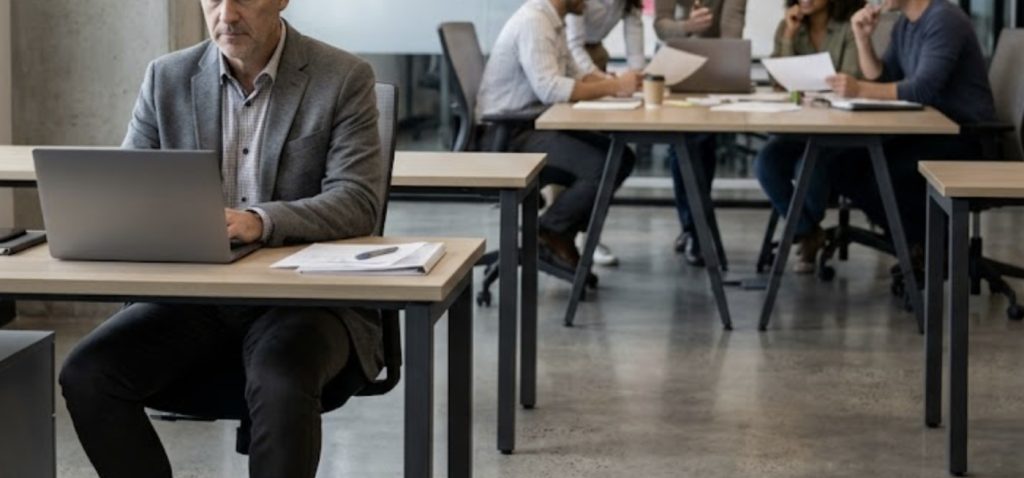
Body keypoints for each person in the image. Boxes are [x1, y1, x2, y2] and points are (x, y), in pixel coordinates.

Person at [58, 1, 387, 477]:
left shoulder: (342, 76)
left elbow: (357, 201)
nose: (226, 14)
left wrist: (259, 221)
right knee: (87, 374)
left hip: (304, 299)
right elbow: (130, 188)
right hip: (194, 297)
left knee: (279, 375)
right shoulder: (166, 77)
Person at [824, 0, 995, 267]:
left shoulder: (944, 19)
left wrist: (858, 90)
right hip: (927, 131)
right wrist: (862, 39)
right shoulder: (905, 24)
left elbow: (921, 89)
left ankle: (928, 251)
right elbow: (885, 78)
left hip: (965, 137)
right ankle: (917, 244)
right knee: (842, 166)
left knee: (881, 173)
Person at [477, 0, 642, 269]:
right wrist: (613, 85)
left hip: (531, 123)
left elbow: (575, 75)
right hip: (508, 134)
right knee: (604, 164)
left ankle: (559, 232)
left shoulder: (553, 22)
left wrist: (618, 86)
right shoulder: (534, 22)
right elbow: (551, 89)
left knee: (621, 157)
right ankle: (550, 229)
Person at [754, 0, 863, 273]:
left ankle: (804, 231)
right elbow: (778, 82)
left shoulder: (849, 28)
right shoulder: (788, 26)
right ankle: (809, 232)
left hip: (837, 130)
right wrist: (789, 37)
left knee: (808, 168)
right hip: (797, 127)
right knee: (767, 162)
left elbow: (850, 79)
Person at [653, 0, 747, 266]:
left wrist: (726, 64)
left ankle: (696, 229)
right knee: (679, 145)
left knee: (703, 143)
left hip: (713, 67)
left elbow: (732, 33)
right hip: (673, 62)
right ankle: (692, 226)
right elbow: (661, 26)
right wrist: (688, 26)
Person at [565, 0, 647, 266]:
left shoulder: (628, 3)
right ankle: (559, 233)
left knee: (602, 147)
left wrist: (636, 77)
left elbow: (634, 34)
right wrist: (607, 83)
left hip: (596, 55)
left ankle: (588, 236)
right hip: (570, 56)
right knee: (574, 146)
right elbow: (572, 43)